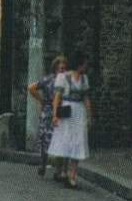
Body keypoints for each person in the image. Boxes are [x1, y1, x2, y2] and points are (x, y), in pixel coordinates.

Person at [47, 50, 93, 189]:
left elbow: (85, 98)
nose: (86, 66)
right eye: (84, 63)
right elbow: (57, 97)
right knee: (65, 141)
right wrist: (54, 115)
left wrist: (89, 115)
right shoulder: (63, 77)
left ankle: (72, 176)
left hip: (79, 112)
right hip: (67, 111)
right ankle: (61, 171)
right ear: (79, 64)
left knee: (77, 142)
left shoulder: (84, 79)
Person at [28, 54, 67, 178]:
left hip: (61, 111)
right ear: (55, 68)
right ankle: (43, 162)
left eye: (64, 69)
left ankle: (58, 169)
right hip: (48, 110)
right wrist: (40, 100)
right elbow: (31, 87)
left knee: (60, 140)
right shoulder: (48, 79)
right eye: (61, 69)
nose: (63, 71)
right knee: (46, 138)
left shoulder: (67, 81)